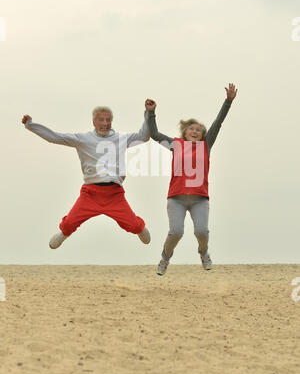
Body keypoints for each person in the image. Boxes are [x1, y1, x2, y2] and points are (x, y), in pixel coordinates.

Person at [22, 104, 151, 249]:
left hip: (114, 195)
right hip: (90, 194)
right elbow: (55, 137)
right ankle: (62, 234)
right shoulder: (83, 139)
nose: (105, 123)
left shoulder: (121, 138)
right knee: (69, 224)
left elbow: (144, 136)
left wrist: (149, 112)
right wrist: (30, 125)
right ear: (94, 122)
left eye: (108, 120)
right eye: (101, 120)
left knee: (133, 225)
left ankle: (140, 228)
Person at [145, 84, 237, 275]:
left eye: (199, 130)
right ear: (184, 133)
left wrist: (228, 101)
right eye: (191, 129)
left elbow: (217, 123)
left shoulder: (206, 145)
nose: (195, 131)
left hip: (199, 199)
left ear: (203, 135)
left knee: (201, 232)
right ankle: (165, 259)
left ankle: (203, 253)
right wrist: (150, 112)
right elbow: (154, 134)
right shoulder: (175, 145)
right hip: (176, 198)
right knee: (176, 232)